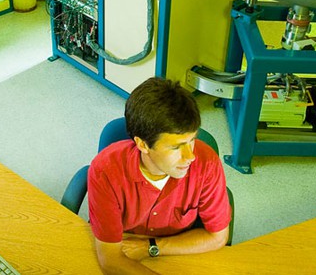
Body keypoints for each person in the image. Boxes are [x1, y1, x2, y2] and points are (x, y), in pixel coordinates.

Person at [87, 77, 231, 274]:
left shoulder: (207, 164)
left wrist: (152, 247)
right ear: (143, 145)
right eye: (176, 147)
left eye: (192, 141)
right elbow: (110, 259)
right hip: (124, 249)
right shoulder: (105, 170)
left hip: (176, 252)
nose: (190, 156)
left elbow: (218, 237)